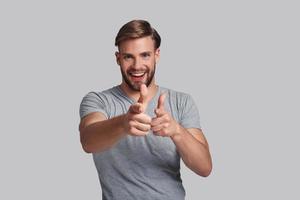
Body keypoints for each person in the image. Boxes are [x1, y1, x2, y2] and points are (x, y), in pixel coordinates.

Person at [79, 19, 212, 200]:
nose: (137, 66)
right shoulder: (98, 100)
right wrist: (124, 123)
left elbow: (204, 168)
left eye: (145, 55)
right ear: (118, 58)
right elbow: (88, 140)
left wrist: (177, 131)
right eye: (128, 57)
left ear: (157, 55)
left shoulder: (181, 101)